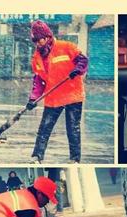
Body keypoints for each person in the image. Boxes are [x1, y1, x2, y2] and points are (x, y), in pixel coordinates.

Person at [27, 20, 88, 163]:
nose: (37, 43)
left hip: (72, 95)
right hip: (53, 97)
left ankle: (74, 159)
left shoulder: (66, 47)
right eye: (35, 41)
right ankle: (37, 156)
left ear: (47, 37)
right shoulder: (37, 57)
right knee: (44, 128)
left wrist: (77, 70)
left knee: (72, 129)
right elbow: (39, 80)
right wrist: (33, 99)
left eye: (39, 40)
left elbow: (83, 61)